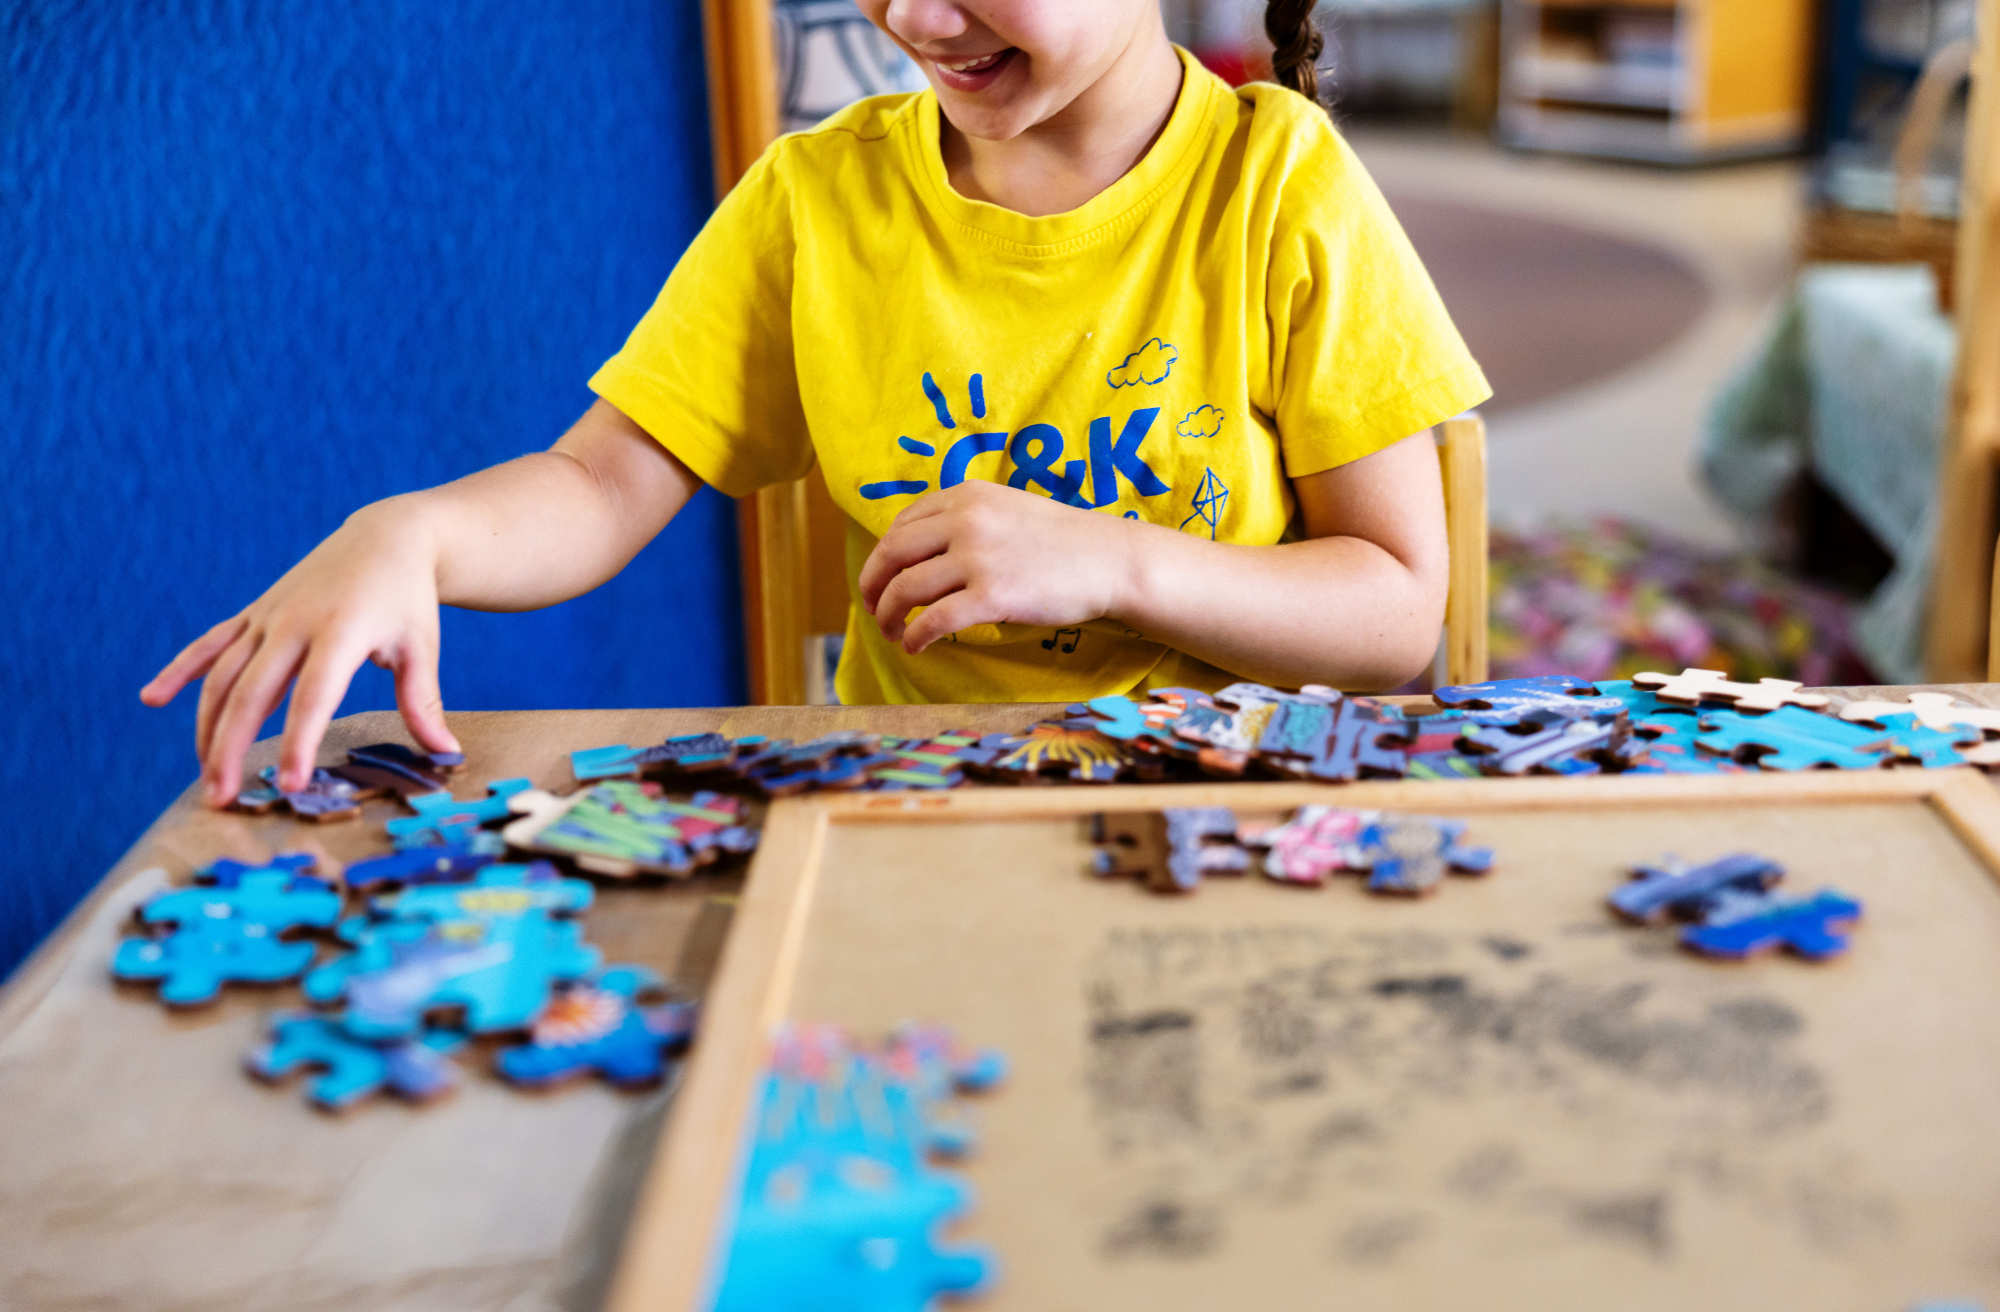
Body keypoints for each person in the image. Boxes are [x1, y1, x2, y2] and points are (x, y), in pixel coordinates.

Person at [142, 0, 1490, 808]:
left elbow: (1391, 615)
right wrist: (415, 536)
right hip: (911, 810)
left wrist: (1115, 562)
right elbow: (606, 482)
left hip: (1239, 815)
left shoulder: (1283, 190)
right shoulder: (812, 199)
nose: (911, 15)